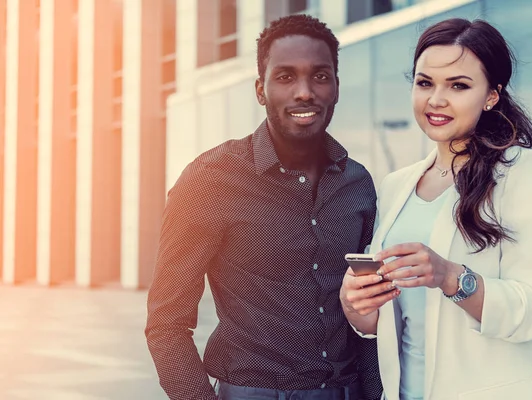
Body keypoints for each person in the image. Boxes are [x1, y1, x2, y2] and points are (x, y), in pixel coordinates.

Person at [145, 14, 382, 400]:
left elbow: (370, 314)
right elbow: (166, 324)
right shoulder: (210, 180)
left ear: (336, 87)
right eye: (286, 77)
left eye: (320, 76)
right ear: (260, 89)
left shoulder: (358, 185)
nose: (304, 92)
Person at [340, 18, 532, 400]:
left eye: (458, 86)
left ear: (491, 96)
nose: (436, 99)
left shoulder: (523, 173)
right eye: (424, 83)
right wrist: (356, 304)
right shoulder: (395, 185)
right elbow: (384, 323)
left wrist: (451, 276)